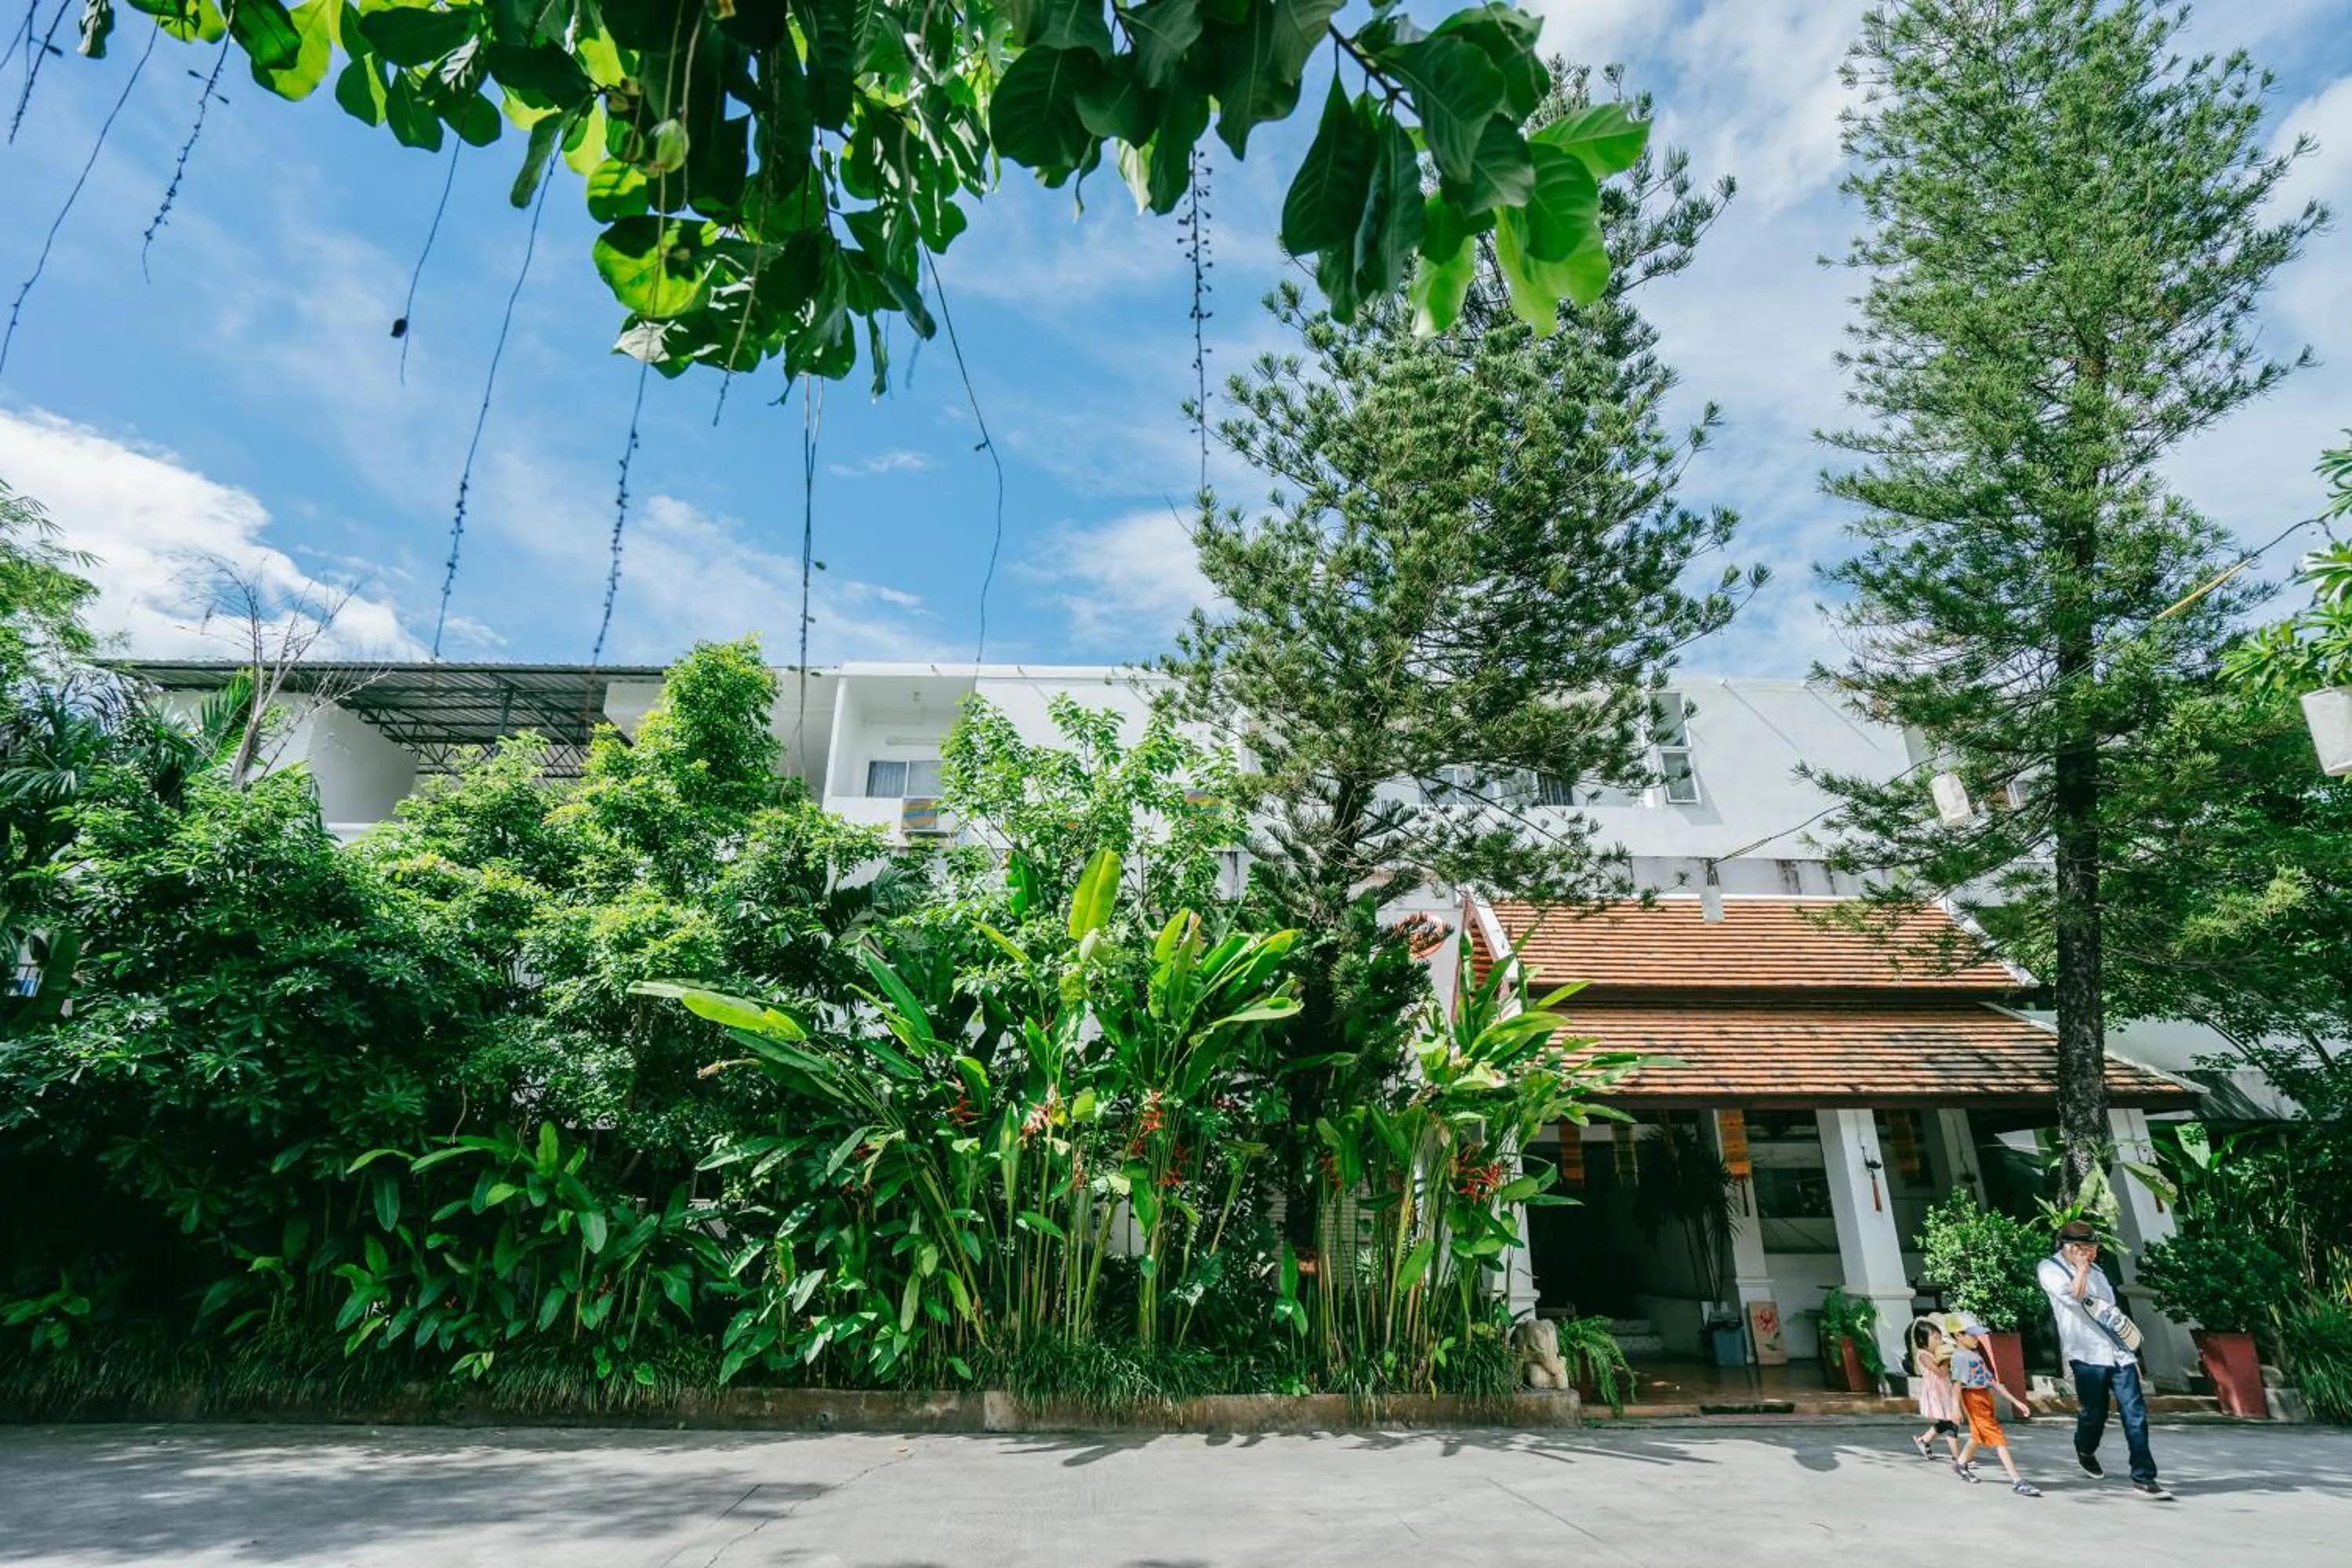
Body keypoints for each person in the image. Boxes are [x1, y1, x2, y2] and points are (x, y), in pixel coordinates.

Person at [2038, 1218, 2172, 1499]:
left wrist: (2131, 1355)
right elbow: (2074, 1297)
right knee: (2094, 1413)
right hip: (2086, 1354)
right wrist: (2081, 1269)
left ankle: (2144, 1477)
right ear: (2073, 1248)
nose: (2094, 1253)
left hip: (2118, 1353)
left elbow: (2111, 1313)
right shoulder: (2050, 1269)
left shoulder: (2098, 1271)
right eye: (2089, 1249)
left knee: (2135, 1414)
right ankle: (2085, 1448)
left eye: (2095, 1248)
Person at [1943, 1316, 2040, 1496]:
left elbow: (1994, 1383)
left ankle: (1961, 1464)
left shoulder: (1975, 1356)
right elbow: (1957, 1385)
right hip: (1973, 1398)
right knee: (1998, 1438)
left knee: (1978, 1435)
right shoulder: (1960, 1357)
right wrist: (1955, 1408)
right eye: (1972, 1335)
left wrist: (2016, 1402)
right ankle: (2017, 1480)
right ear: (1958, 1335)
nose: (1976, 1338)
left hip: (1984, 1397)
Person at [1908, 1317, 1962, 1463]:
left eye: (1940, 1337)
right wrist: (1945, 1359)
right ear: (1922, 1340)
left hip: (1945, 1390)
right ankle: (1958, 1458)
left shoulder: (1936, 1354)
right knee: (1951, 1422)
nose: (1939, 1341)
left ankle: (1924, 1440)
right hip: (1936, 1393)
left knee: (1946, 1421)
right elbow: (1941, 1373)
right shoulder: (1924, 1355)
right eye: (1935, 1338)